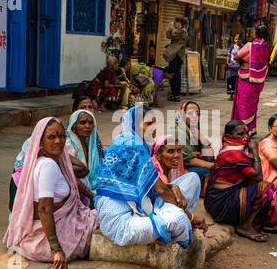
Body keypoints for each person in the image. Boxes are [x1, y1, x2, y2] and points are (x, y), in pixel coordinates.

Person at [94, 106, 207, 247]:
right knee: (178, 219)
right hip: (122, 225)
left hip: (137, 209)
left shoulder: (122, 145)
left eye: (154, 123)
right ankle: (167, 218)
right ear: (133, 125)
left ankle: (164, 214)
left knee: (192, 178)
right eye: (148, 123)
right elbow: (161, 191)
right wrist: (190, 217)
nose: (153, 128)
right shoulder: (135, 148)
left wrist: (172, 186)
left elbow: (153, 186)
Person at [3, 117, 99, 269]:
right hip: (45, 245)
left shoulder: (44, 161)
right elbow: (43, 208)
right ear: (40, 143)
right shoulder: (48, 166)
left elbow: (77, 175)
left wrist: (89, 195)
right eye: (51, 137)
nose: (58, 141)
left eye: (62, 136)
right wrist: (57, 250)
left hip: (34, 241)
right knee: (107, 214)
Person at [204, 121, 277, 242]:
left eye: (247, 133)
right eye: (241, 134)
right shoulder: (233, 152)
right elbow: (258, 176)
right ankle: (244, 226)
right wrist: (256, 151)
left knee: (263, 188)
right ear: (229, 136)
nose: (246, 138)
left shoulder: (237, 148)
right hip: (222, 204)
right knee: (264, 188)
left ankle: (258, 222)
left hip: (228, 196)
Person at [231, 25, 271, 138]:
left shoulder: (250, 46)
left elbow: (236, 57)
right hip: (258, 81)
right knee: (252, 106)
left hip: (246, 79)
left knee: (243, 105)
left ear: (256, 34)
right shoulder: (265, 47)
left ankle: (244, 131)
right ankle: (251, 129)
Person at [168, 101, 215, 182]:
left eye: (197, 114)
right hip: (179, 167)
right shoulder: (178, 131)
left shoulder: (194, 128)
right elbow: (188, 160)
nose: (194, 116)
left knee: (220, 162)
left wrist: (202, 139)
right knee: (209, 171)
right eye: (190, 113)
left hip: (193, 161)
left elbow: (210, 156)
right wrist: (212, 166)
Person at [66, 110, 100, 209]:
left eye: (90, 122)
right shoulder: (68, 145)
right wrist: (90, 194)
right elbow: (70, 176)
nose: (87, 126)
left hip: (91, 188)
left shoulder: (90, 146)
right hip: (77, 191)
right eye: (82, 122)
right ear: (74, 126)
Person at [164, 17, 189, 102]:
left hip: (177, 56)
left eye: (175, 22)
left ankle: (176, 95)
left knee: (174, 75)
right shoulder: (180, 31)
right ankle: (175, 94)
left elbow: (170, 35)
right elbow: (168, 35)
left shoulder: (182, 31)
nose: (174, 24)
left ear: (179, 23)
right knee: (174, 74)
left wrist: (171, 28)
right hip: (175, 55)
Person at [72, 96, 105, 160]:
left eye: (90, 107)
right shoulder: (68, 135)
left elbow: (100, 154)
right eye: (83, 107)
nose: (87, 110)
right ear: (75, 111)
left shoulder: (92, 131)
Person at [226, 34, 243, 101]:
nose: (237, 40)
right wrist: (227, 62)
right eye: (236, 39)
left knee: (237, 81)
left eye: (238, 39)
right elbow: (229, 55)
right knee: (230, 80)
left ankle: (237, 96)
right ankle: (231, 95)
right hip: (231, 65)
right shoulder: (232, 46)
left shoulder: (242, 47)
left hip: (238, 66)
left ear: (241, 40)